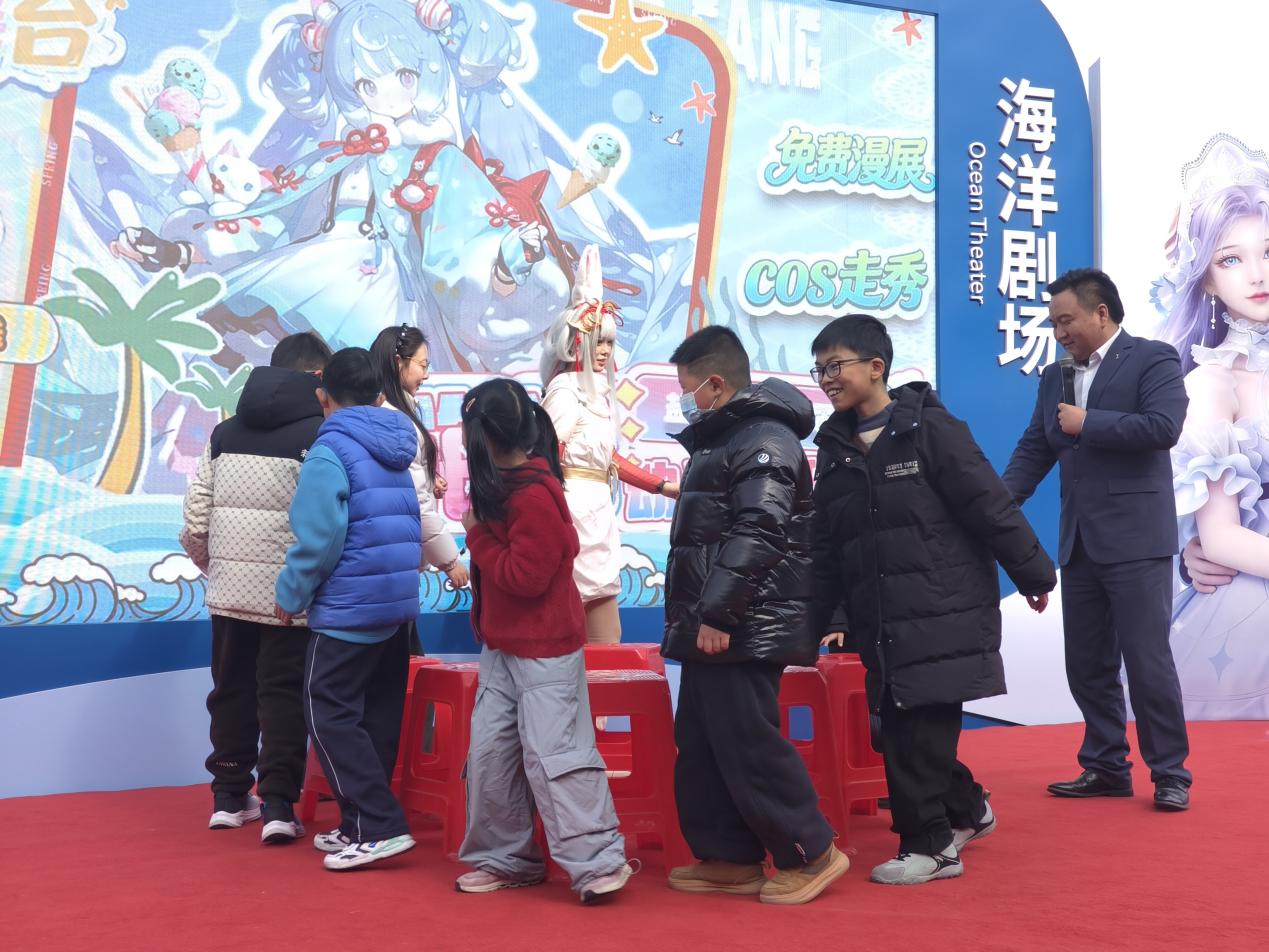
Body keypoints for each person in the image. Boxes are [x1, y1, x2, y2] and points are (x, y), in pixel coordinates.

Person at [808, 315, 1056, 885]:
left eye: (836, 365)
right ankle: (968, 810)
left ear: (877, 367)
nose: (827, 378)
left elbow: (989, 505)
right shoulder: (835, 448)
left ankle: (932, 848)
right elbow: (829, 544)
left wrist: (1032, 573)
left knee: (917, 732)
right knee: (895, 732)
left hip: (943, 609)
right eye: (819, 369)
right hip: (881, 619)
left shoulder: (931, 430)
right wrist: (829, 615)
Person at [661, 325, 848, 906]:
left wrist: (719, 612)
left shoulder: (766, 438)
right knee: (702, 740)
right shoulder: (724, 437)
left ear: (715, 384)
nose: (684, 400)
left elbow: (760, 529)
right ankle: (729, 856)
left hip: (744, 620)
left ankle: (811, 851)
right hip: (712, 620)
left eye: (688, 389)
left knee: (747, 740)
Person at [1002, 268, 1193, 811]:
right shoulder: (1054, 376)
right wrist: (994, 506)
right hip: (1080, 542)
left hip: (1137, 540)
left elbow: (1163, 427)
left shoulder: (1153, 358)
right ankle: (1106, 765)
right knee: (1086, 664)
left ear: (1100, 312)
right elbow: (1035, 448)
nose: (1059, 332)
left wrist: (1089, 422)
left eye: (1066, 320)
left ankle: (1170, 773)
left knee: (1147, 662)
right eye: (1053, 323)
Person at [455, 379, 633, 903]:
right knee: (492, 757)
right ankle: (507, 857)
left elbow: (526, 577)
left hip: (545, 649)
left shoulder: (532, 493)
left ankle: (598, 860)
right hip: (503, 646)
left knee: (559, 757)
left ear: (484, 436)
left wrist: (477, 534)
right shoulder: (506, 487)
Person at [273, 347, 423, 870]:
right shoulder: (396, 444)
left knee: (329, 714)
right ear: (380, 396)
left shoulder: (329, 449)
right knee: (376, 717)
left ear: (323, 396)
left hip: (348, 607)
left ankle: (379, 825)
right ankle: (360, 823)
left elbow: (320, 538)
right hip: (394, 604)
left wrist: (290, 594)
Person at [180, 331, 332, 843]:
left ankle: (227, 797)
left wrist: (215, 567)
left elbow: (195, 517)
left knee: (230, 690)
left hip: (228, 594)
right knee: (282, 695)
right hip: (289, 597)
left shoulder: (224, 432)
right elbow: (324, 521)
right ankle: (278, 806)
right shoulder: (321, 434)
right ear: (317, 377)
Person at [1151, 134, 1269, 720]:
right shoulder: (1213, 383)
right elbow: (1219, 537)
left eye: (1268, 251)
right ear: (1205, 279)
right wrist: (1189, 553)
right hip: (1251, 605)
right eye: (1231, 259)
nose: (1257, 273)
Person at [540, 245, 679, 644]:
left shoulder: (594, 390)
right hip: (572, 510)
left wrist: (661, 486)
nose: (604, 351)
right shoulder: (565, 390)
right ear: (576, 342)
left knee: (603, 621)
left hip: (597, 508)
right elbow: (547, 456)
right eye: (597, 342)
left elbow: (608, 458)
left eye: (609, 344)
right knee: (577, 617)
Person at [370, 323, 468, 599]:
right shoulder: (396, 420)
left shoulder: (383, 412)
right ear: (398, 362)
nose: (426, 374)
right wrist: (450, 561)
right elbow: (415, 501)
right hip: (395, 551)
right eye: (423, 365)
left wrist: (427, 478)